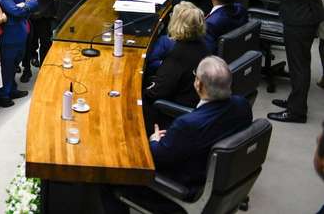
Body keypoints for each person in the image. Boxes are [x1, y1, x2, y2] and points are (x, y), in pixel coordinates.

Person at [107, 56, 252, 212]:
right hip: (213, 176)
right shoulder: (242, 105)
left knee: (111, 173)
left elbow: (155, 157)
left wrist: (154, 141)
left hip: (180, 188)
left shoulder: (188, 125)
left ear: (199, 84)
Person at [144, 2, 211, 121]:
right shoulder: (203, 45)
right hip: (194, 98)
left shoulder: (177, 55)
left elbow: (157, 93)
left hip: (176, 111)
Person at [0, 0, 38, 107]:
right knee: (7, 66)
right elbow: (14, 11)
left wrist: (24, 6)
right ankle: (3, 95)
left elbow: (34, 1)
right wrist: (26, 6)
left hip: (22, 30)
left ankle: (12, 89)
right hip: (9, 35)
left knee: (15, 64)